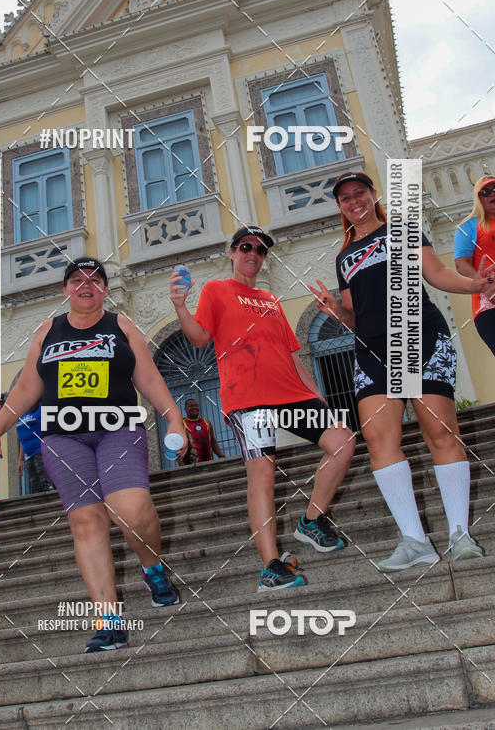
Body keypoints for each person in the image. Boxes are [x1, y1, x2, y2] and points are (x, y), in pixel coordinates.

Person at [0, 257, 186, 653]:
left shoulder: (121, 326)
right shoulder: (48, 331)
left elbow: (147, 376)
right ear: (65, 290)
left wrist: (174, 419)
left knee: (130, 507)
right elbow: (27, 388)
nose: (86, 285)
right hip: (63, 438)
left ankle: (151, 567)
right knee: (86, 522)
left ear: (105, 290)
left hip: (118, 428)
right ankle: (109, 621)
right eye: (77, 280)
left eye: (95, 279)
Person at [310, 171, 494, 571]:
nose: (354, 200)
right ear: (340, 207)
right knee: (379, 441)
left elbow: (439, 275)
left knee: (440, 433)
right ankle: (414, 541)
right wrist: (335, 311)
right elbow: (354, 317)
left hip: (417, 334)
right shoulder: (345, 257)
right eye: (345, 198)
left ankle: (460, 533)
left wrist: (475, 284)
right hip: (372, 348)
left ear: (373, 195)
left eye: (360, 192)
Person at [170, 227, 355, 593]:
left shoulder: (269, 299)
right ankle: (271, 566)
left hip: (292, 394)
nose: (253, 253)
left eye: (260, 249)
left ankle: (311, 520)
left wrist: (320, 398)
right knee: (263, 476)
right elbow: (200, 338)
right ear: (232, 251)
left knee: (344, 442)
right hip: (248, 398)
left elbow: (291, 354)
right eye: (246, 247)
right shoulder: (216, 290)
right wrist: (180, 306)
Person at [454, 176, 495, 356]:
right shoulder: (469, 226)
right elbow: (461, 264)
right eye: (485, 191)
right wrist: (486, 284)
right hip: (489, 305)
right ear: (477, 199)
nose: (492, 193)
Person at [15, 404, 54, 493]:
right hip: (28, 453)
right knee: (35, 483)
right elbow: (22, 439)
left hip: (40, 449)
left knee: (45, 481)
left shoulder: (41, 408)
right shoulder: (22, 414)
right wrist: (20, 460)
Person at [178, 397, 225, 465]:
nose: (194, 407)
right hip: (191, 465)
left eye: (196, 405)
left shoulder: (206, 422)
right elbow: (175, 446)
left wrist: (222, 456)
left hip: (209, 463)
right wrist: (180, 462)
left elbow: (213, 442)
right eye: (191, 406)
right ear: (185, 409)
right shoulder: (182, 424)